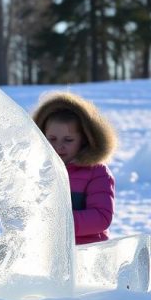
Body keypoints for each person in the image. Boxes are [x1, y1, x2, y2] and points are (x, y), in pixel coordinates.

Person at [32, 91, 117, 245]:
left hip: (86, 254)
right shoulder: (36, 170)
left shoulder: (96, 172)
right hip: (47, 253)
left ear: (84, 139)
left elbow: (101, 217)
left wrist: (59, 223)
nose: (59, 146)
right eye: (52, 139)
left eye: (68, 140)